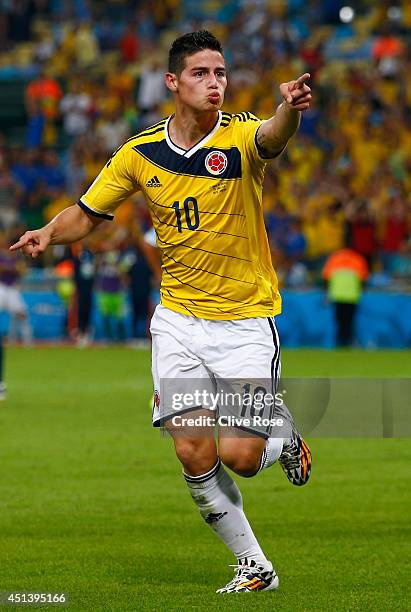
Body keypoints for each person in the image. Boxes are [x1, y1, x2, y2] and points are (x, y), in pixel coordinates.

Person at [11, 31, 312, 594]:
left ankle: (284, 438)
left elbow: (274, 136)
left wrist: (286, 108)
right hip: (177, 321)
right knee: (191, 448)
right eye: (201, 73)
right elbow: (89, 212)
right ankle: (255, 567)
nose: (214, 83)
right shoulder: (140, 152)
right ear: (173, 82)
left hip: (245, 322)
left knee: (242, 457)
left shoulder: (243, 136)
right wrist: (49, 235)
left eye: (220, 73)